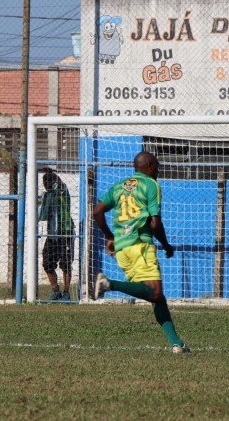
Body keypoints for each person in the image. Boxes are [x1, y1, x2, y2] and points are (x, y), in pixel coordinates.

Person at [92, 151, 190, 353]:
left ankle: (176, 344)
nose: (159, 171)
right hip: (140, 245)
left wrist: (111, 237)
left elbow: (97, 211)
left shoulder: (119, 186)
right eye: (158, 167)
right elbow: (155, 223)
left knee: (157, 297)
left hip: (122, 250)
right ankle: (108, 284)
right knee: (155, 292)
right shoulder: (151, 185)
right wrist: (166, 244)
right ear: (151, 166)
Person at [38, 170, 75, 301]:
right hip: (52, 233)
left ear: (54, 182)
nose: (46, 184)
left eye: (48, 181)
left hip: (65, 231)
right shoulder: (47, 196)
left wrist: (51, 171)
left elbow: (60, 183)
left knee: (65, 263)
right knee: (47, 263)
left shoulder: (62, 192)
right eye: (44, 182)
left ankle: (66, 293)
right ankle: (55, 291)